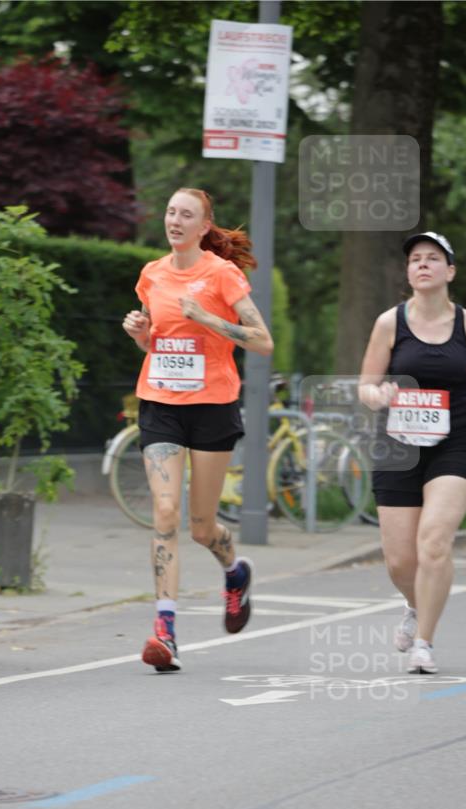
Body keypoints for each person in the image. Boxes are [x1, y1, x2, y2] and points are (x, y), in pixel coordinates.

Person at [122, 188, 273, 672]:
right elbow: (159, 346)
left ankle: (235, 571)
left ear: (204, 226)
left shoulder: (222, 274)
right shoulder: (152, 275)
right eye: (170, 212)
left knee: (202, 526)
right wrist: (143, 337)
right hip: (161, 404)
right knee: (165, 513)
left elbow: (263, 341)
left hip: (212, 407)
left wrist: (208, 317)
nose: (175, 220)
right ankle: (164, 629)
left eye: (186, 214)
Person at [359, 232, 466, 674]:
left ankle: (424, 643)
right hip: (399, 446)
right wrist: (377, 396)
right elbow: (366, 384)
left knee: (433, 541)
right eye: (415, 259)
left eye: (432, 259)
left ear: (449, 271)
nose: (422, 265)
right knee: (400, 561)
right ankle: (415, 604)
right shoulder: (388, 323)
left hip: (456, 444)